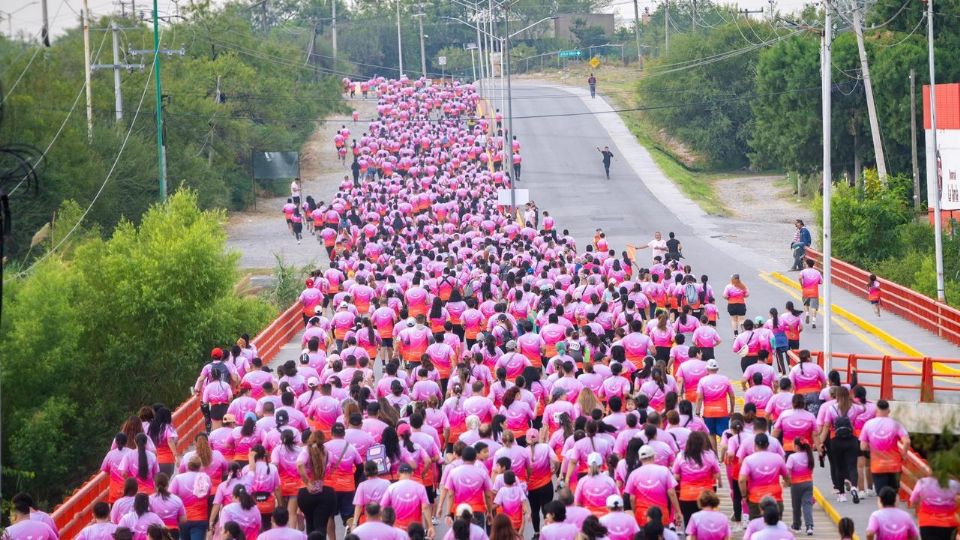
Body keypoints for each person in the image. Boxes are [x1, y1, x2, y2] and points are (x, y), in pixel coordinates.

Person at [859, 400, 910, 495]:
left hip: (878, 466)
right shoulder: (896, 424)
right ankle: (894, 509)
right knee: (893, 494)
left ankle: (884, 509)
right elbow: (907, 441)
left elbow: (863, 446)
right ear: (889, 411)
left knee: (882, 495)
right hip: (894, 465)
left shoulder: (868, 424)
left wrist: (872, 450)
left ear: (876, 410)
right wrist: (903, 453)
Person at [909, 475, 960, 540]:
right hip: (948, 523)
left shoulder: (923, 482)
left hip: (927, 522)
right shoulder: (954, 484)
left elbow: (913, 502)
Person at [785, 438, 815, 535]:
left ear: (797, 447)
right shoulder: (809, 456)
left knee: (796, 505)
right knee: (807, 505)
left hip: (796, 484)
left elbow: (787, 472)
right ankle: (809, 526)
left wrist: (787, 482)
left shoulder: (792, 457)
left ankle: (797, 525)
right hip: (808, 483)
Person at [798, 259, 822, 328]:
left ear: (807, 264)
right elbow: (821, 281)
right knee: (814, 307)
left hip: (806, 291)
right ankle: (813, 321)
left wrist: (801, 284)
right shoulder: (817, 272)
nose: (804, 264)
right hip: (814, 292)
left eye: (805, 263)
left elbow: (799, 278)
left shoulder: (803, 271)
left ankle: (807, 314)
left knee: (806, 304)